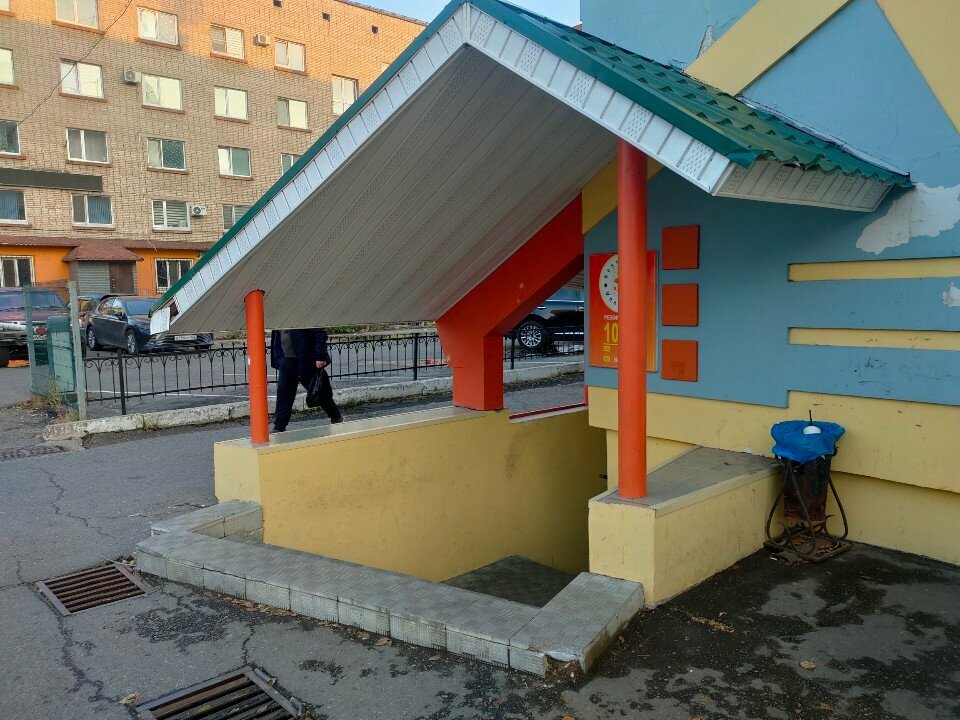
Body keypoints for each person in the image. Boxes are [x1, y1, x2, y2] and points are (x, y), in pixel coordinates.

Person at [270, 328, 342, 432]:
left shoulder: (303, 317)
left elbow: (319, 331)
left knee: (318, 392)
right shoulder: (280, 319)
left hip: (306, 359)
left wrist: (320, 356)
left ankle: (336, 417)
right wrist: (279, 358)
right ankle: (279, 427)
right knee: (284, 394)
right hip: (286, 360)